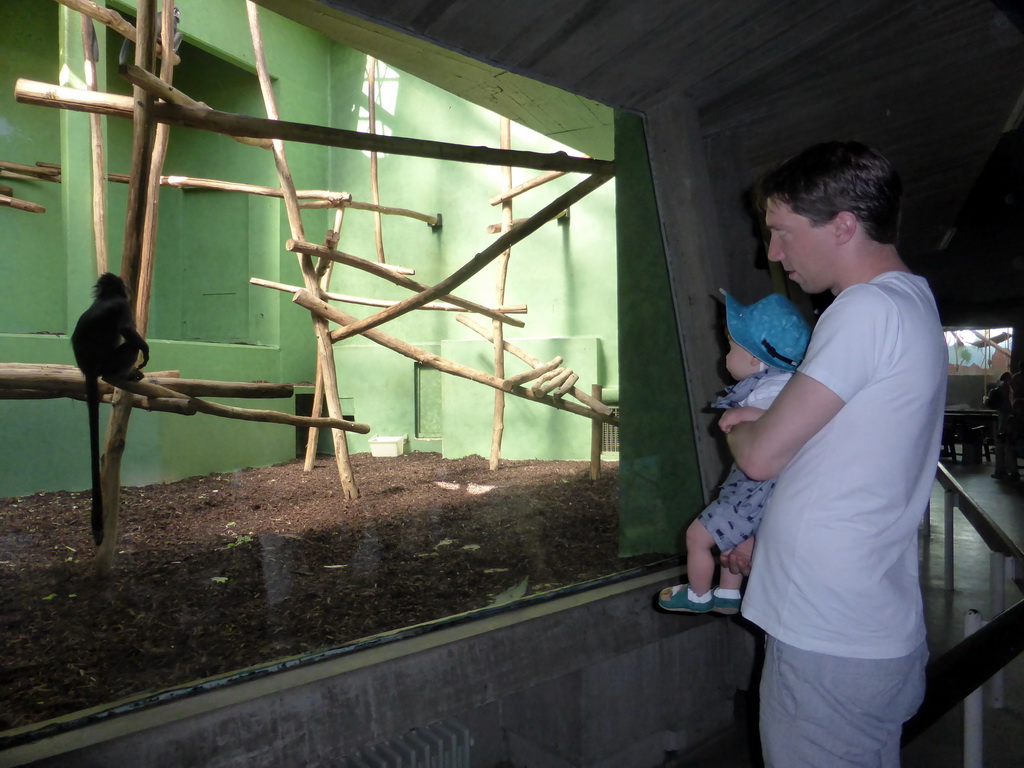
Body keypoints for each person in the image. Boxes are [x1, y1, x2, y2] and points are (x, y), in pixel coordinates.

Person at [718, 141, 947, 768]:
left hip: (829, 634)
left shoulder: (864, 309)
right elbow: (850, 450)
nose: (773, 253)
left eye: (783, 232)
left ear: (844, 225)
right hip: (857, 622)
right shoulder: (909, 303)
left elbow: (761, 458)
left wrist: (740, 428)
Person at [658, 292, 810, 615]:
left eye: (732, 347)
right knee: (731, 539)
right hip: (761, 494)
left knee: (697, 537)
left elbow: (781, 423)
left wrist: (743, 416)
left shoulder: (772, 387)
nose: (725, 355)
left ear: (757, 360)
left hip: (752, 493)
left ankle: (698, 594)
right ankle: (728, 594)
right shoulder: (780, 385)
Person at [988, 372, 1018, 480]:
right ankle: (1010, 471)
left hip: (1002, 419)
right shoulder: (1008, 389)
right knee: (1007, 447)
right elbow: (1008, 405)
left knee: (1001, 447)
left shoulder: (1000, 388)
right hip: (1007, 420)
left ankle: (1001, 471)